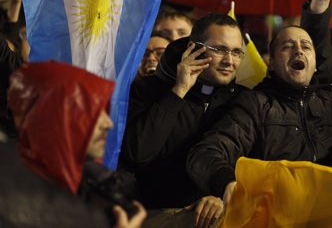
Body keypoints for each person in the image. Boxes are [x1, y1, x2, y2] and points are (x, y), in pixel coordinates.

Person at [186, 26, 332, 218]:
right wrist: (226, 184)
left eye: (306, 47)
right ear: (271, 63)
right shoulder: (256, 104)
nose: (298, 50)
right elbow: (205, 153)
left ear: (315, 63)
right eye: (287, 46)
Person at [119, 13, 248, 222]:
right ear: (193, 49)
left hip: (217, 215)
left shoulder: (242, 99)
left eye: (236, 52)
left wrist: (219, 193)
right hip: (154, 214)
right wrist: (178, 91)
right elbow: (137, 153)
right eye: (220, 50)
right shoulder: (148, 89)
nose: (229, 61)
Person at [7, 61, 146, 228]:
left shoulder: (97, 185)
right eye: (92, 113)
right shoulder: (18, 202)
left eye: (105, 111)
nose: (108, 123)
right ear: (57, 119)